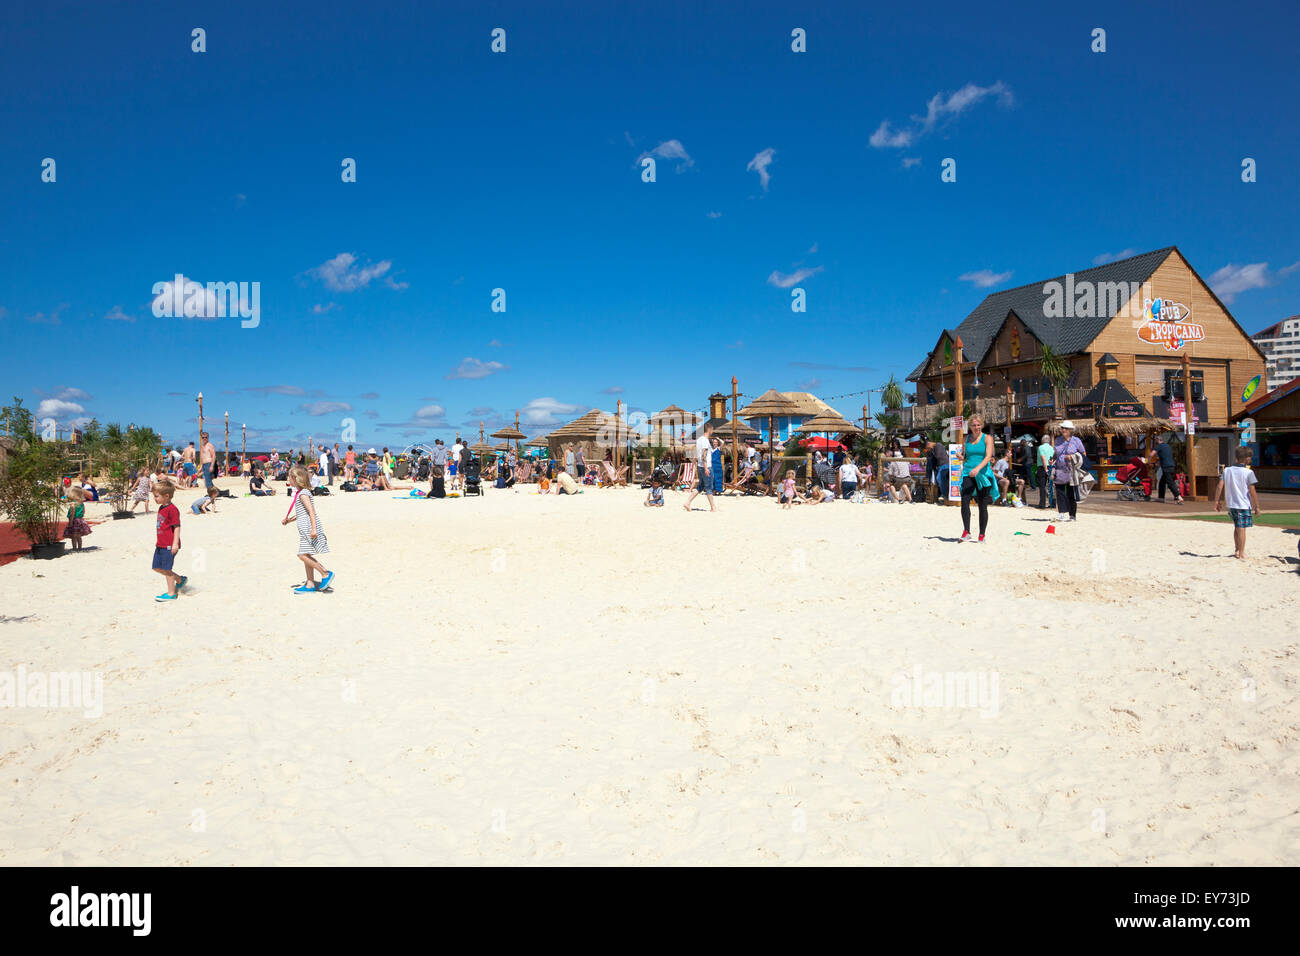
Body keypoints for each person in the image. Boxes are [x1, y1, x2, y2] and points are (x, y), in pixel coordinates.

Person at [283, 465, 334, 592]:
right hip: (305, 527)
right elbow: (302, 512)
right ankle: (310, 583)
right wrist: (289, 520)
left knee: (302, 555)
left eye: (290, 477)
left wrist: (313, 529)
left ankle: (325, 573)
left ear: (296, 479)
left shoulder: (303, 494)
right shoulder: (302, 493)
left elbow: (311, 512)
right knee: (306, 555)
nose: (288, 479)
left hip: (308, 528)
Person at [1214, 445, 1260, 559]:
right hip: (1242, 504)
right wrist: (1257, 506)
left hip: (1231, 504)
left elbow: (1220, 486)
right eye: (1250, 457)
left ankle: (1237, 549)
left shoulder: (1227, 470)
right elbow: (1252, 490)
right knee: (1241, 529)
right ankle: (1241, 552)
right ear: (1247, 459)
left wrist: (1217, 501)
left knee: (1237, 527)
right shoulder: (1248, 472)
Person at [958, 413, 996, 542]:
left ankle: (982, 534)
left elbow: (988, 457)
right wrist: (961, 458)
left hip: (983, 474)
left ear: (982, 425)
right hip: (968, 473)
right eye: (974, 425)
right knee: (964, 501)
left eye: (978, 424)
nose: (976, 427)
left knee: (982, 504)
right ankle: (966, 531)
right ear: (970, 426)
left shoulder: (987, 438)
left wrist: (978, 469)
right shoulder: (966, 439)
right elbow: (967, 457)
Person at [151, 479, 186, 602]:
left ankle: (171, 593)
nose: (154, 498)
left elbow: (177, 526)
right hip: (160, 544)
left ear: (166, 496)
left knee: (166, 569)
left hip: (169, 545)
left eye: (156, 496)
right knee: (156, 567)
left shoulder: (173, 509)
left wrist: (175, 543)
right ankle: (180, 579)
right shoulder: (162, 507)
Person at [1052, 421, 1087, 522]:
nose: (1063, 430)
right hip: (1060, 469)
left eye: (1066, 428)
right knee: (1060, 492)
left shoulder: (1076, 441)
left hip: (1072, 471)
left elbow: (1083, 454)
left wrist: (1072, 457)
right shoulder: (1058, 440)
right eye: (1062, 428)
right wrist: (1052, 460)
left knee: (1071, 493)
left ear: (1071, 430)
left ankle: (1072, 515)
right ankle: (1061, 513)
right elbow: (1056, 454)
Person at [684, 423, 716, 512]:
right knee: (709, 487)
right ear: (709, 429)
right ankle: (713, 508)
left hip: (699, 466)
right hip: (706, 466)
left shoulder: (699, 440)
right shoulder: (705, 441)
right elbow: (704, 455)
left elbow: (696, 454)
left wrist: (693, 464)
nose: (712, 431)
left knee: (700, 486)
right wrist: (706, 468)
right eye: (712, 429)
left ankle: (687, 502)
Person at [1154, 434, 1184, 504]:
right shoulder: (1167, 446)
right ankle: (1161, 498)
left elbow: (1152, 454)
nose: (1155, 441)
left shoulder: (1159, 446)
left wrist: (1148, 460)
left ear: (1158, 440)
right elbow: (1165, 455)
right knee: (1162, 482)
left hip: (1166, 467)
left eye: (1155, 440)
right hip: (1172, 466)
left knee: (1170, 483)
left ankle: (1179, 497)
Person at [63, 486, 91, 551]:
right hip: (80, 520)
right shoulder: (82, 503)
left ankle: (74, 548)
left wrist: (70, 522)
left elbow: (72, 513)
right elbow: (83, 512)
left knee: (74, 536)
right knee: (79, 536)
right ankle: (80, 547)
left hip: (74, 521)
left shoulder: (73, 504)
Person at [1036, 434, 1055, 509]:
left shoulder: (1041, 447)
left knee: (1042, 486)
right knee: (1051, 486)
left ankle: (1042, 504)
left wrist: (1045, 468)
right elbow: (1053, 458)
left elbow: (1043, 458)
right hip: (1051, 466)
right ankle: (1053, 503)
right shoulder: (1051, 448)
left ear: (1042, 440)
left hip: (1042, 467)